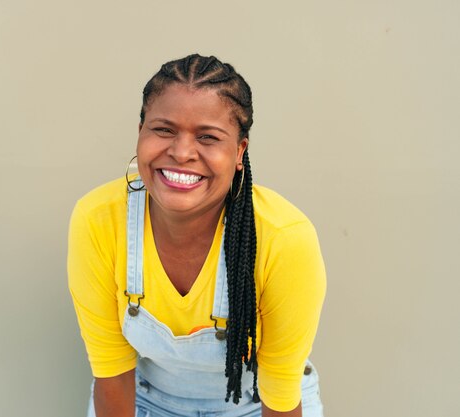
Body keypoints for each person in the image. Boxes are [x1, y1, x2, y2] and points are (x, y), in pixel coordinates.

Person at [67, 54, 326, 417]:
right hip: (144, 400)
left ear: (239, 151)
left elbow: (281, 397)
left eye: (207, 137)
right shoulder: (99, 220)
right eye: (163, 129)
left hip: (255, 406)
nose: (182, 152)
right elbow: (111, 374)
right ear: (140, 130)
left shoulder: (284, 240)